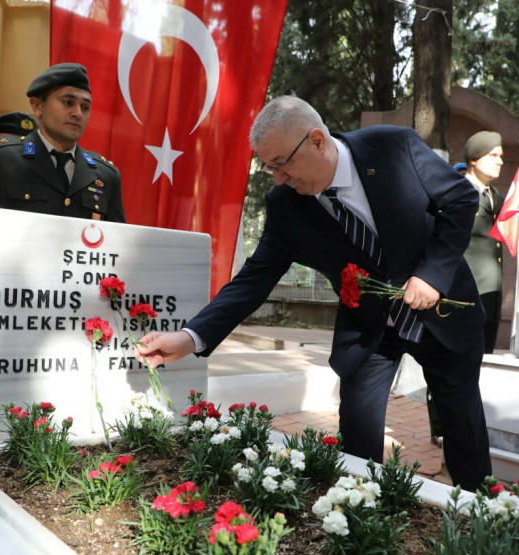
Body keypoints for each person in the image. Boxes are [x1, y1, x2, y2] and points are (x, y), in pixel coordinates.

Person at [136, 96, 492, 492]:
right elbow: (254, 278)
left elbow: (460, 199)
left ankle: (478, 521)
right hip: (371, 331)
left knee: (463, 426)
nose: (277, 178)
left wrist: (432, 274)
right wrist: (189, 337)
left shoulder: (393, 146)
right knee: (357, 435)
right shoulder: (287, 206)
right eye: (269, 167)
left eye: (281, 163)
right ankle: (362, 520)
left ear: (317, 141)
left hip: (442, 314)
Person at [0, 63, 125, 222]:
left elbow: (115, 244)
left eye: (85, 107)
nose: (78, 113)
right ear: (37, 106)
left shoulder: (105, 175)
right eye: (68, 102)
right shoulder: (0, 159)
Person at [462, 131, 504, 354]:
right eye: (494, 155)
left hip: (492, 292)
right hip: (465, 291)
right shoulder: (459, 190)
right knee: (458, 359)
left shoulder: (496, 196)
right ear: (474, 159)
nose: (501, 162)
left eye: (501, 156)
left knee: (483, 356)